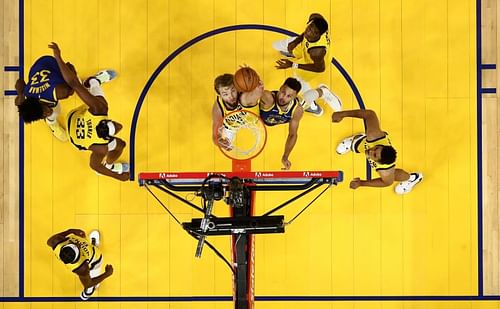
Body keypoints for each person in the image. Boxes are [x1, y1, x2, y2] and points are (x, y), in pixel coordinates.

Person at [48, 42, 129, 181]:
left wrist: (58, 57)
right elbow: (95, 167)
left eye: (113, 124)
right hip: (74, 135)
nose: (118, 125)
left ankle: (92, 82)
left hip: (73, 120)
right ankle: (109, 165)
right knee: (121, 145)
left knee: (101, 106)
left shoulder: (98, 112)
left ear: (103, 122)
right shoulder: (101, 147)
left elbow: (74, 83)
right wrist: (116, 175)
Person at [332, 109, 423, 194]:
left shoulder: (385, 170)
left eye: (374, 155)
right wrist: (343, 114)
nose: (371, 152)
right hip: (370, 141)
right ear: (381, 146)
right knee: (362, 143)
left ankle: (412, 178)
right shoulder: (374, 135)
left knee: (393, 175)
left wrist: (361, 183)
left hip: (387, 170)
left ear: (378, 162)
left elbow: (386, 183)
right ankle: (356, 141)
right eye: (376, 149)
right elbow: (369, 114)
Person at [260, 77, 340, 169]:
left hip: (295, 108)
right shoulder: (267, 98)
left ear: (294, 97)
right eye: (283, 92)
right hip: (264, 115)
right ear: (281, 87)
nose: (283, 98)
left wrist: (285, 157)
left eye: (289, 96)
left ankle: (324, 91)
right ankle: (314, 106)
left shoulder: (297, 110)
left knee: (306, 100)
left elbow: (292, 134)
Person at [273, 13, 341, 116]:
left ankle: (313, 105)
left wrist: (293, 65)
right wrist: (296, 41)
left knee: (298, 82)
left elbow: (320, 68)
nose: (309, 32)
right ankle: (293, 52)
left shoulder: (317, 51)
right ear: (310, 23)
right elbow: (306, 33)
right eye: (310, 27)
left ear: (319, 35)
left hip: (313, 63)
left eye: (314, 32)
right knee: (276, 45)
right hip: (304, 48)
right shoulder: (316, 19)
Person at [14, 55, 77, 141]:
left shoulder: (62, 91)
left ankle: (87, 85)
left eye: (44, 111)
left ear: (38, 102)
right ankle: (52, 124)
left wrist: (71, 72)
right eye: (42, 116)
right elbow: (19, 82)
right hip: (37, 69)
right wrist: (21, 94)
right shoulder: (28, 94)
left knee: (74, 85)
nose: (47, 113)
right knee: (53, 113)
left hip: (50, 64)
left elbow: (72, 84)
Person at [47, 228, 113, 300]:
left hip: (87, 251)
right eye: (77, 246)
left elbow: (50, 241)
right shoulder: (82, 268)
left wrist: (71, 231)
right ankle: (88, 293)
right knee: (91, 283)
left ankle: (92, 245)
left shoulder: (55, 242)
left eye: (73, 244)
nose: (77, 244)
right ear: (79, 255)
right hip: (94, 260)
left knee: (86, 246)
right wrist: (107, 274)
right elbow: (88, 283)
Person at [211, 73, 263, 151]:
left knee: (245, 99)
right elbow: (215, 137)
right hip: (231, 126)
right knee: (228, 148)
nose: (231, 96)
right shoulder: (218, 107)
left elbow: (256, 93)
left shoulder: (244, 96)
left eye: (233, 90)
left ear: (237, 88)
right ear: (220, 95)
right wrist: (220, 142)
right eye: (225, 94)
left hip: (250, 120)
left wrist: (257, 84)